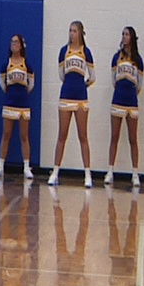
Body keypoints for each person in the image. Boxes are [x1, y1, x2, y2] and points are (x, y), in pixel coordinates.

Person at [48, 21, 94, 188]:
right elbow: (61, 75)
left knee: (83, 136)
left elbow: (92, 76)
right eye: (70, 30)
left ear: (80, 33)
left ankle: (87, 174)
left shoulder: (86, 52)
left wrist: (83, 85)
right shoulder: (63, 51)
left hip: (81, 97)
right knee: (62, 135)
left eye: (74, 31)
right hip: (66, 95)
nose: (71, 33)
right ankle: (55, 172)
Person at [0, 34, 35, 180]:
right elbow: (2, 84)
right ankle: (0, 165)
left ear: (21, 45)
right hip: (9, 102)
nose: (14, 44)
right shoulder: (6, 65)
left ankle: (26, 167)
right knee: (6, 135)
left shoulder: (27, 65)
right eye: (12, 41)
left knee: (24, 136)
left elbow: (31, 85)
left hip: (23, 104)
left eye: (16, 42)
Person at [105, 27, 144, 187]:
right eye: (122, 34)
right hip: (118, 99)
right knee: (114, 137)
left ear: (132, 38)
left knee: (133, 139)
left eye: (127, 34)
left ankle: (135, 173)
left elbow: (139, 84)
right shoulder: (116, 57)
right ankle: (110, 171)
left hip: (131, 102)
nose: (124, 37)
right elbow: (114, 80)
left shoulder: (138, 59)